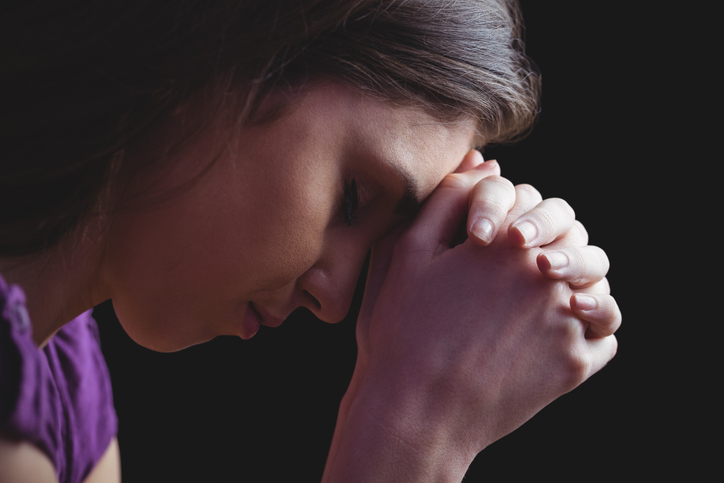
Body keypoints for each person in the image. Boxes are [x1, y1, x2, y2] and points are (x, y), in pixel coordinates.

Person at [0, 0, 621, 481]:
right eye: (353, 198)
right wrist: (416, 423)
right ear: (222, 52)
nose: (335, 302)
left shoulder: (66, 390)